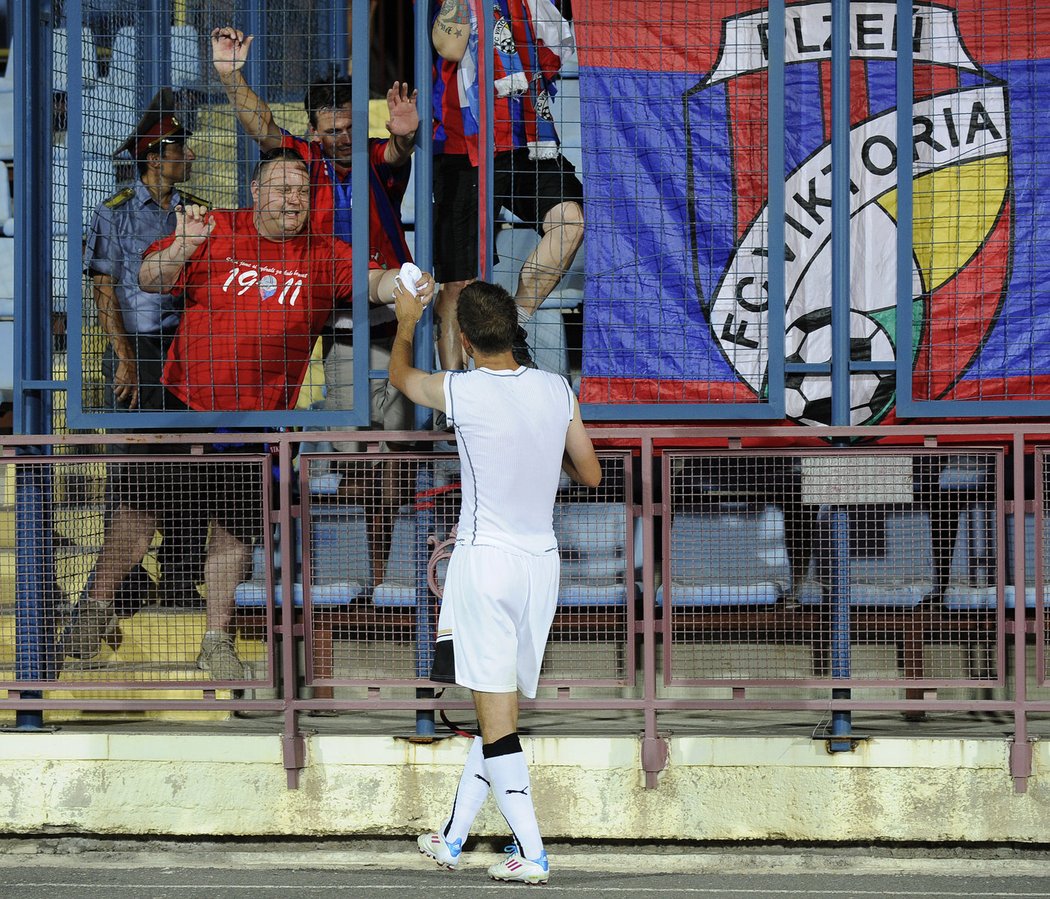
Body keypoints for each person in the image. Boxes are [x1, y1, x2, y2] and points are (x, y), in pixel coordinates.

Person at [61, 149, 435, 679]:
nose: (294, 199)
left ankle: (216, 641)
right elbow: (148, 277)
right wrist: (185, 245)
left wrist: (406, 280)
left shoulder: (323, 253)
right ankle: (93, 611)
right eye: (282, 189)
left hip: (256, 418)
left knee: (233, 532)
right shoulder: (213, 227)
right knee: (136, 512)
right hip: (183, 401)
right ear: (256, 192)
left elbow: (374, 281)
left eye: (303, 191)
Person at [389, 279, 601, 884]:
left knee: (498, 720)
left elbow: (402, 376)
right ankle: (453, 840)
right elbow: (589, 473)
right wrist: (542, 445)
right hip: (541, 566)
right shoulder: (556, 388)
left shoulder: (461, 388)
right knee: (497, 711)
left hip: (485, 565)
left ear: (464, 340)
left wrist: (407, 319)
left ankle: (532, 853)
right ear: (513, 329)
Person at [211, 25, 421, 582]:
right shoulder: (304, 161)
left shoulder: (374, 159)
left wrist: (402, 136)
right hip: (328, 326)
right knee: (347, 457)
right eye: (331, 130)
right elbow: (262, 128)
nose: (343, 139)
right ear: (313, 130)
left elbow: (398, 150)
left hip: (380, 325)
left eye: (352, 127)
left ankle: (378, 570)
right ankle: (330, 567)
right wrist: (231, 75)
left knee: (385, 459)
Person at [79, 87, 209, 645]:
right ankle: (123, 577)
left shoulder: (191, 211)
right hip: (138, 349)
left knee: (188, 463)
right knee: (133, 467)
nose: (189, 157)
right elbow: (104, 290)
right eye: (181, 148)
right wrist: (126, 359)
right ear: (156, 155)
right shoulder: (113, 214)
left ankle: (181, 576)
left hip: (184, 352)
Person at [430, 0, 584, 371]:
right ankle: (455, 392)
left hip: (527, 140)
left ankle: (514, 328)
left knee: (570, 223)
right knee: (458, 282)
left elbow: (567, 45)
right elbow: (449, 47)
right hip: (462, 145)